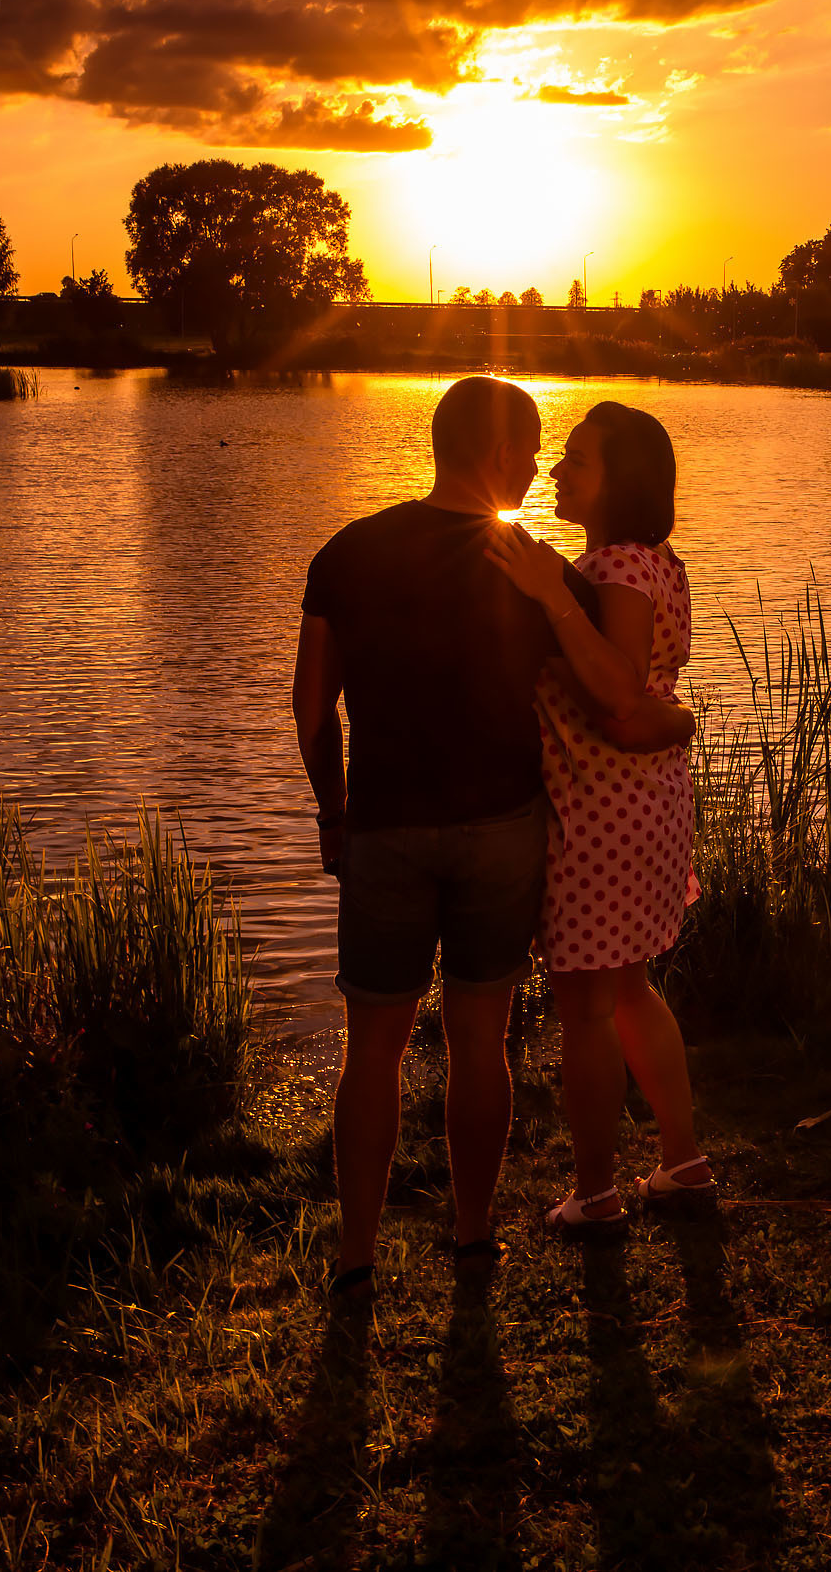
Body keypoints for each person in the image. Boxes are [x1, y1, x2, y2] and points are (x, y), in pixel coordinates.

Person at [292, 377, 692, 1301]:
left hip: (384, 830)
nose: (543, 464)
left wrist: (332, 810)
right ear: (507, 458)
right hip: (503, 833)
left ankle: (358, 1255)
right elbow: (616, 692)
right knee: (481, 1042)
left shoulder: (346, 554)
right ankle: (473, 1238)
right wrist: (680, 724)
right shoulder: (532, 566)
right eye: (537, 448)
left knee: (374, 1049)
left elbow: (313, 706)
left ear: (441, 444)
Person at [484, 401, 710, 1236]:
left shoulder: (612, 569)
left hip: (600, 807)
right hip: (649, 798)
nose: (557, 471)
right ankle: (683, 1162)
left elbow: (616, 693)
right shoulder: (657, 561)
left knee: (583, 1008)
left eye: (578, 460)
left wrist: (548, 593)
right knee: (629, 990)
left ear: (622, 482)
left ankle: (598, 1192)